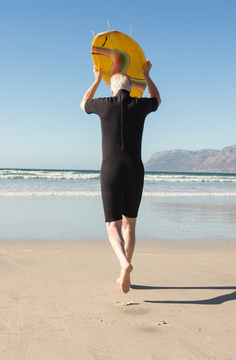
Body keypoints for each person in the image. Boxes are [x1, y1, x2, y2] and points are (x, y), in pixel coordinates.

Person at [80, 61, 161, 293]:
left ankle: (123, 263)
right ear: (131, 87)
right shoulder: (140, 103)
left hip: (111, 169)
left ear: (112, 89)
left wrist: (96, 79)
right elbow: (158, 100)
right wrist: (146, 75)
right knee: (130, 224)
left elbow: (82, 103)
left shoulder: (104, 104)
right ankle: (125, 270)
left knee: (110, 225)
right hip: (135, 169)